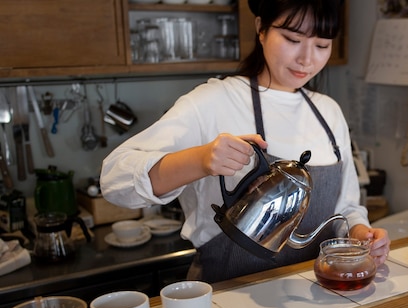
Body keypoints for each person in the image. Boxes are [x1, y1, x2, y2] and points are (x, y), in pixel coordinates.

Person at [100, 0, 390, 283]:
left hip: (316, 297)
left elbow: (347, 206)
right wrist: (200, 161)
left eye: (322, 45)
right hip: (228, 301)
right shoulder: (214, 101)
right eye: (292, 39)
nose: (307, 59)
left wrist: (360, 231)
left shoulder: (329, 112)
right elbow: (115, 180)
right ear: (261, 29)